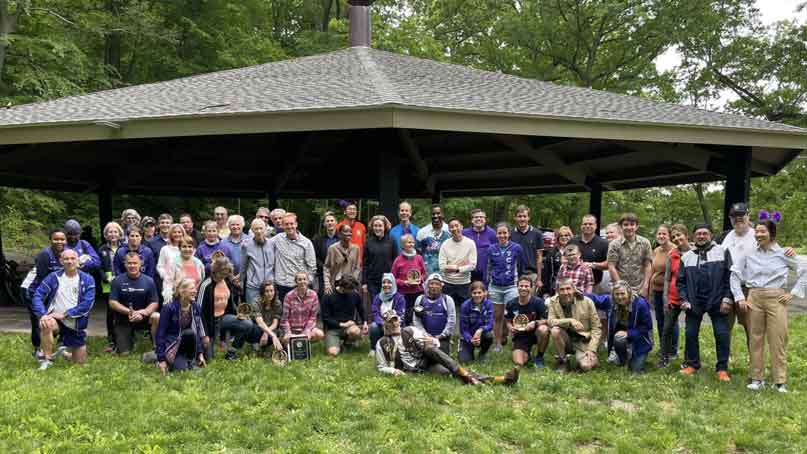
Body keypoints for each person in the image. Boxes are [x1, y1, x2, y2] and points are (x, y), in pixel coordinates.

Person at [730, 219, 807, 393]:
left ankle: (779, 381)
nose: (758, 234)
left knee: (777, 339)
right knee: (755, 339)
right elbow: (734, 274)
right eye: (756, 231)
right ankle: (757, 379)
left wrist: (793, 293)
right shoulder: (749, 253)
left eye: (762, 231)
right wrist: (739, 297)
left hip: (776, 298)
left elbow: (805, 269)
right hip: (754, 297)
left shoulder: (783, 253)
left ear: (771, 233)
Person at [375, 311, 519, 385]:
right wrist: (393, 370)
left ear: (399, 320)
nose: (394, 324)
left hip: (427, 358)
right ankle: (500, 379)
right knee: (449, 373)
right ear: (385, 324)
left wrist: (434, 341)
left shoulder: (409, 330)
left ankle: (464, 373)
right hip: (415, 369)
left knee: (430, 349)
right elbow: (381, 367)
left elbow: (433, 344)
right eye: (390, 322)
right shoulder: (381, 343)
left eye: (395, 320)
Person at [676, 224, 733, 381]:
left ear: (711, 235)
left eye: (705, 233)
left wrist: (727, 298)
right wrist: (684, 299)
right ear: (694, 236)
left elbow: (730, 277)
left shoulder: (722, 252)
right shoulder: (687, 256)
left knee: (722, 334)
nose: (701, 236)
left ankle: (722, 369)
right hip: (694, 302)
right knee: (690, 333)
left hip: (717, 300)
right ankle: (692, 364)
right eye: (698, 234)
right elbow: (680, 282)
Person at [31, 249, 95, 370]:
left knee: (79, 363)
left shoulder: (88, 279)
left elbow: (88, 303)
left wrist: (66, 314)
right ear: (61, 261)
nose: (69, 261)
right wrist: (43, 314)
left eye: (72, 259)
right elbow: (38, 295)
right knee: (46, 323)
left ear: (78, 261)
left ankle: (65, 353)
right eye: (66, 259)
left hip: (75, 322)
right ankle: (47, 359)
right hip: (55, 320)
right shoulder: (53, 277)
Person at [589, 281, 653, 373]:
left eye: (623, 294)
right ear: (613, 295)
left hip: (639, 340)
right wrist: (577, 293)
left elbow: (647, 326)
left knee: (636, 369)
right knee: (619, 339)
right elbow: (595, 299)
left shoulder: (641, 304)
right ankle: (623, 359)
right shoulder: (610, 301)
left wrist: (628, 333)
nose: (620, 297)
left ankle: (633, 354)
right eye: (617, 294)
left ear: (629, 293)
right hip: (620, 337)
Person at [26, 229, 67, 359]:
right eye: (56, 239)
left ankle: (48, 346)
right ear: (50, 240)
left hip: (50, 292)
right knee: (39, 320)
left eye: (62, 239)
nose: (59, 241)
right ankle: (38, 350)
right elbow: (43, 281)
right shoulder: (45, 255)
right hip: (34, 292)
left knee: (51, 320)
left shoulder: (65, 254)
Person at [108, 253, 159, 355]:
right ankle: (130, 339)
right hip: (124, 319)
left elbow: (154, 303)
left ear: (140, 264)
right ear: (125, 264)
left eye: (135, 263)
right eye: (129, 263)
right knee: (124, 353)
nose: (132, 266)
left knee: (156, 316)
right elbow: (112, 303)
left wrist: (143, 313)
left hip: (144, 317)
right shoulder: (117, 281)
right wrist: (130, 312)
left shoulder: (149, 281)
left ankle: (156, 345)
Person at [486, 222, 526, 352]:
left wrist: (519, 283)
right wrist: (487, 286)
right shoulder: (491, 249)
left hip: (511, 286)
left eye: (505, 233)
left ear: (509, 234)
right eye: (499, 233)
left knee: (513, 315)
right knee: (497, 316)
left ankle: (516, 343)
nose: (502, 235)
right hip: (495, 287)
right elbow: (487, 268)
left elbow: (521, 267)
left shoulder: (517, 248)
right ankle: (498, 343)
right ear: (496, 234)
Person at [548, 278, 601, 372]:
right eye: (562, 289)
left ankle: (580, 361)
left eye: (568, 288)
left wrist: (592, 349)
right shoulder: (553, 301)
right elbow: (550, 321)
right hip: (565, 339)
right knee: (555, 330)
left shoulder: (587, 302)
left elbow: (596, 328)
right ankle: (563, 361)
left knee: (586, 366)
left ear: (574, 289)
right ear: (557, 291)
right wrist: (570, 320)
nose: (565, 292)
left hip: (583, 340)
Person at [197, 256, 244, 360]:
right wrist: (204, 335)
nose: (223, 276)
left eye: (226, 274)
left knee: (247, 325)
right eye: (221, 273)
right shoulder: (206, 285)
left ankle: (232, 352)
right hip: (209, 323)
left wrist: (237, 314)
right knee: (209, 358)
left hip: (224, 318)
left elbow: (232, 301)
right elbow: (198, 312)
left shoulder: (227, 281)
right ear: (215, 271)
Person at [155, 278, 206, 374]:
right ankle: (157, 358)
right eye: (191, 289)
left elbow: (197, 331)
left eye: (195, 288)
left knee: (190, 333)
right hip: (172, 344)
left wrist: (200, 353)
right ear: (182, 291)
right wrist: (161, 359)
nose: (195, 291)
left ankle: (190, 360)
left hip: (188, 343)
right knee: (181, 369)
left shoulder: (196, 307)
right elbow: (160, 334)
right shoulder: (169, 308)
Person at [657, 224, 690, 368]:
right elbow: (667, 278)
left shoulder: (695, 252)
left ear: (686, 235)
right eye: (674, 236)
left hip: (690, 297)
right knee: (667, 328)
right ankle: (664, 358)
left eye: (679, 235)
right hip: (673, 296)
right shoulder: (672, 254)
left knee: (690, 330)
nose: (677, 238)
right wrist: (665, 298)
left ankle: (689, 360)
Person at [438, 217, 477, 325]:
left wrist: (455, 268)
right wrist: (461, 264)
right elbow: (442, 267)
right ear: (449, 229)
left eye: (457, 226)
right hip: (447, 284)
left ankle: (464, 338)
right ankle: (447, 337)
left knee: (466, 314)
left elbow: (472, 265)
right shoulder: (445, 244)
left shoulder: (470, 243)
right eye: (451, 227)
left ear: (462, 227)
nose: (454, 228)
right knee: (446, 313)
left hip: (464, 284)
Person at [505, 276, 549, 367]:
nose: (523, 288)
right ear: (517, 287)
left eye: (526, 286)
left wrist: (535, 323)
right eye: (521, 286)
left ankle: (539, 357)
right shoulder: (511, 303)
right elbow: (508, 321)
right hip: (521, 335)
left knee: (544, 330)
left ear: (531, 287)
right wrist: (510, 328)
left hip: (536, 333)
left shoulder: (538, 302)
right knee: (519, 363)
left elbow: (548, 320)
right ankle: (526, 352)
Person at [273, 212, 317, 303]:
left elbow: (312, 267)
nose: (289, 226)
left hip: (299, 286)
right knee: (283, 314)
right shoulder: (277, 239)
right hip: (281, 286)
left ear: (296, 224)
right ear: (283, 226)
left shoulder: (306, 243)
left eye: (291, 224)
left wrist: (306, 284)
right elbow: (263, 242)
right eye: (286, 224)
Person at [607, 213, 652, 298]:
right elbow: (611, 266)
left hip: (639, 288)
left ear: (637, 226)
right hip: (619, 288)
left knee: (639, 310)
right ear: (620, 227)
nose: (629, 227)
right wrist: (621, 287)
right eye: (626, 225)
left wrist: (645, 287)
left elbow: (647, 265)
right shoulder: (614, 244)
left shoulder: (645, 243)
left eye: (632, 224)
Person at [322, 277, 368, 356]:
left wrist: (365, 322)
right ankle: (335, 345)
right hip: (333, 328)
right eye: (351, 289)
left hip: (349, 327)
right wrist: (342, 324)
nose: (353, 291)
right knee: (333, 353)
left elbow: (361, 310)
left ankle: (347, 344)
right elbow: (325, 318)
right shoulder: (328, 296)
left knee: (355, 331)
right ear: (343, 288)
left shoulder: (355, 294)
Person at [413, 273, 456, 354]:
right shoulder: (420, 299)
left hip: (442, 337)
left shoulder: (447, 299)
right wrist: (425, 335)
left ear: (441, 286)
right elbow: (416, 320)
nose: (434, 286)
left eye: (437, 284)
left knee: (442, 358)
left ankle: (448, 344)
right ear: (427, 285)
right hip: (425, 337)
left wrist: (442, 335)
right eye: (431, 283)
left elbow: (452, 320)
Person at [98, 221, 124, 353]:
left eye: (115, 232)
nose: (113, 234)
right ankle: (111, 338)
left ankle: (124, 338)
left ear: (120, 234)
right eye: (110, 232)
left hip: (122, 281)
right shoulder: (102, 249)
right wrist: (105, 278)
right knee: (110, 311)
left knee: (122, 309)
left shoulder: (124, 248)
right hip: (108, 283)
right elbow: (100, 267)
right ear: (106, 235)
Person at [649, 224, 675, 355]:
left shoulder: (674, 250)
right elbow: (652, 270)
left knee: (670, 321)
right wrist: (649, 290)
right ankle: (663, 348)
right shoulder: (656, 250)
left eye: (664, 234)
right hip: (657, 290)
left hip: (670, 292)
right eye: (659, 234)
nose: (661, 236)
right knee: (659, 319)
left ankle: (673, 350)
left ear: (669, 235)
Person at [280, 272, 325, 345]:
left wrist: (307, 330)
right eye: (299, 280)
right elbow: (285, 318)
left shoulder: (313, 295)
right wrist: (288, 332)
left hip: (306, 328)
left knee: (320, 334)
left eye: (304, 279)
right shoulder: (289, 296)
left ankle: (305, 345)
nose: (302, 282)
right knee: (286, 339)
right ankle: (293, 345)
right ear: (296, 282)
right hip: (292, 329)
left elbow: (313, 317)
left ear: (308, 281)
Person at [391, 233, 426, 326]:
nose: (411, 244)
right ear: (403, 245)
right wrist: (404, 282)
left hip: (417, 292)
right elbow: (393, 279)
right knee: (404, 316)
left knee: (418, 315)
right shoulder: (398, 260)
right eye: (408, 242)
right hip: (403, 294)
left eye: (413, 242)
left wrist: (420, 280)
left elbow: (424, 273)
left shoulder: (419, 258)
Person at [240, 218, 275, 304]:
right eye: (256, 229)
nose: (259, 231)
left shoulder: (272, 244)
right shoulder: (246, 245)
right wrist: (241, 283)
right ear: (252, 230)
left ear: (265, 229)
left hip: (269, 286)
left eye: (261, 228)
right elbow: (243, 266)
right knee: (253, 314)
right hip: (253, 287)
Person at [572, 214, 610, 292]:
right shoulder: (572, 241)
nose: (587, 226)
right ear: (581, 226)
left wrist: (593, 265)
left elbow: (609, 264)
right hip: (572, 284)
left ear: (595, 226)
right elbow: (564, 258)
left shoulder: (604, 243)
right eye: (585, 224)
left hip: (594, 286)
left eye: (590, 224)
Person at [161, 236, 205, 304]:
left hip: (195, 301)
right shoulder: (173, 263)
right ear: (179, 248)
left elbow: (202, 281)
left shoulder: (198, 263)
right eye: (184, 246)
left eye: (190, 246)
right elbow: (167, 283)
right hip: (178, 300)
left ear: (193, 249)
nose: (187, 249)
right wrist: (168, 299)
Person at [362, 215, 396, 302]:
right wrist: (364, 282)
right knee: (376, 307)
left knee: (387, 308)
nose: (377, 228)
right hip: (373, 282)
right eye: (375, 226)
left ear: (385, 227)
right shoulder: (368, 242)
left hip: (388, 281)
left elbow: (395, 261)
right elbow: (365, 264)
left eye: (380, 226)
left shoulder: (392, 241)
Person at [458, 281, 494, 363]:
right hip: (468, 336)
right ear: (471, 294)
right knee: (465, 361)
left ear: (485, 293)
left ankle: (483, 353)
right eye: (474, 293)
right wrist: (471, 339)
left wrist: (480, 330)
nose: (477, 295)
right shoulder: (465, 306)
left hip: (482, 335)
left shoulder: (489, 304)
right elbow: (463, 329)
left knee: (489, 336)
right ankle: (468, 350)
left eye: (479, 292)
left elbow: (490, 324)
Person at [370, 273, 406, 351]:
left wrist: (390, 324)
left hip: (395, 325)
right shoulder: (377, 297)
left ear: (393, 284)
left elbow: (400, 314)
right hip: (381, 325)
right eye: (384, 282)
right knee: (373, 326)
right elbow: (375, 313)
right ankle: (373, 349)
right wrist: (383, 323)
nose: (386, 285)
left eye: (389, 282)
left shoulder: (400, 298)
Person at [511, 205, 544, 288]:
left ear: (528, 218)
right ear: (515, 218)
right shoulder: (510, 234)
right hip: (514, 275)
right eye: (519, 216)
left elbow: (539, 257)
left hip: (531, 274)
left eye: (524, 216)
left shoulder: (537, 234)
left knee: (530, 300)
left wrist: (539, 279)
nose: (522, 219)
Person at [323, 224, 361, 296]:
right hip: (336, 283)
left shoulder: (356, 248)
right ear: (340, 234)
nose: (349, 233)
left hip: (350, 284)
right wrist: (327, 284)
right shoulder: (332, 249)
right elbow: (326, 267)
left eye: (350, 231)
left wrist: (352, 281)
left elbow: (357, 267)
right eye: (346, 231)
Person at [463, 209, 497, 283]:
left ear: (485, 219)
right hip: (468, 271)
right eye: (476, 217)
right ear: (472, 220)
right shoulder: (464, 233)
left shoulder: (492, 233)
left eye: (481, 217)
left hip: (486, 272)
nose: (479, 219)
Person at [415, 204, 450, 275]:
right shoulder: (422, 232)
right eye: (433, 214)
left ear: (442, 214)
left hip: (446, 273)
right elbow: (417, 254)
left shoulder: (450, 230)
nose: (436, 216)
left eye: (438, 213)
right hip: (428, 273)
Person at [542, 226, 573, 298]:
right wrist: (546, 291)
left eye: (566, 235)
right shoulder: (552, 253)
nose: (564, 237)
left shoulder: (576, 250)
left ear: (570, 237)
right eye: (561, 236)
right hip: (555, 287)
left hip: (572, 285)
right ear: (558, 238)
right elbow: (547, 273)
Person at [156, 224, 187, 295]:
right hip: (169, 284)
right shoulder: (165, 249)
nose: (177, 234)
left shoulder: (187, 248)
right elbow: (160, 266)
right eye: (174, 232)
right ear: (171, 234)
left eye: (179, 232)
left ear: (183, 233)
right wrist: (165, 276)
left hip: (184, 283)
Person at [313, 212, 339, 295]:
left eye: (332, 220)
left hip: (339, 274)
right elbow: (315, 257)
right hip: (323, 274)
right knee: (324, 298)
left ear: (336, 223)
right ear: (324, 224)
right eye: (327, 221)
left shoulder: (342, 238)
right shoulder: (318, 239)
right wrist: (324, 266)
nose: (330, 223)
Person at [223, 215, 249, 279]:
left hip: (247, 278)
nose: (235, 227)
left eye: (238, 224)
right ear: (228, 226)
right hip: (229, 279)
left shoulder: (250, 240)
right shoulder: (223, 243)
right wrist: (231, 276)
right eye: (233, 225)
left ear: (242, 225)